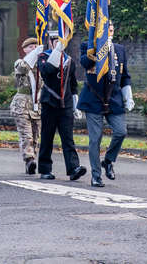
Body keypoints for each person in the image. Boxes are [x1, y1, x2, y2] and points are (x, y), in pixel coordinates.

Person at [77, 22, 133, 187]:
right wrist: (96, 47)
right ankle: (96, 175)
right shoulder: (87, 46)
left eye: (112, 30)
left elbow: (125, 75)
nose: (110, 32)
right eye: (106, 30)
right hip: (94, 98)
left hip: (114, 98)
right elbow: (85, 63)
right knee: (95, 139)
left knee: (121, 132)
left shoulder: (119, 49)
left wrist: (128, 95)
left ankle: (108, 160)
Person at [37, 32, 87, 182]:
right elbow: (47, 72)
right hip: (49, 102)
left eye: (61, 41)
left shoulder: (69, 60)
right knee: (47, 137)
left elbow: (72, 85)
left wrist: (76, 105)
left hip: (65, 104)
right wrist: (56, 52)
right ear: (50, 42)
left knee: (68, 137)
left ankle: (73, 168)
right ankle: (45, 169)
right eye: (55, 41)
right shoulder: (43, 57)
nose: (59, 43)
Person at [11, 37, 43, 175]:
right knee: (26, 135)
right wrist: (34, 54)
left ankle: (32, 159)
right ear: (24, 49)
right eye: (31, 47)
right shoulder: (20, 62)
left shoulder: (41, 65)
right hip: (22, 104)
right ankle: (29, 159)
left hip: (37, 104)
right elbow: (23, 68)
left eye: (36, 46)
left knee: (36, 136)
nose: (34, 48)